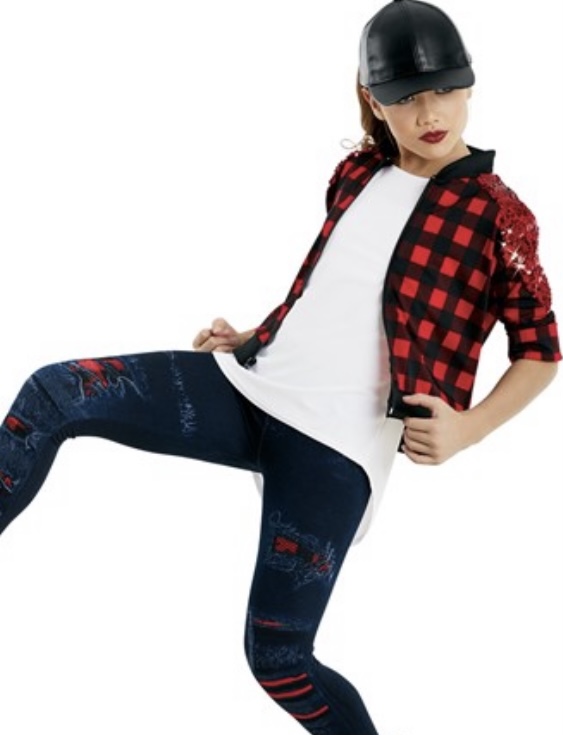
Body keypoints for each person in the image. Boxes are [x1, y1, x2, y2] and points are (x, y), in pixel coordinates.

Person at [0, 0, 560, 733]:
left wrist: (469, 429)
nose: (430, 113)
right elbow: (333, 290)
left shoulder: (498, 216)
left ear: (470, 86)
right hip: (252, 387)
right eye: (406, 97)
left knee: (279, 659)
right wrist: (252, 336)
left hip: (333, 447)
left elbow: (540, 350)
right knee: (54, 392)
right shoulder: (357, 173)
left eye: (445, 90)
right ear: (372, 101)